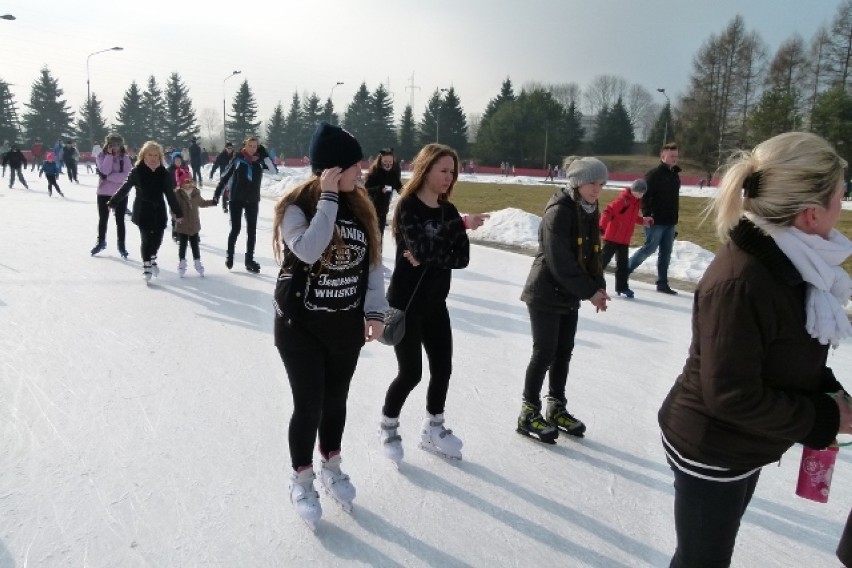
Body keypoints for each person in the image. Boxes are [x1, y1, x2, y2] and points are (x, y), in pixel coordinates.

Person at [658, 131, 852, 568]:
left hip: (746, 441)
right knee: (702, 562)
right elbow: (731, 395)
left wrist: (829, 392)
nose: (844, 203)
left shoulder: (792, 260)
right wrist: (824, 418)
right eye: (841, 194)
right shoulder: (744, 281)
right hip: (710, 446)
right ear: (810, 214)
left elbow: (785, 350)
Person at [271, 121, 386, 527]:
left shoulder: (361, 205)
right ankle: (301, 478)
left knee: (336, 401)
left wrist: (376, 312)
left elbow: (373, 266)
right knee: (309, 405)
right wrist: (330, 197)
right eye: (356, 165)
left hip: (344, 327)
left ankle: (331, 465)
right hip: (299, 327)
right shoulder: (296, 207)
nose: (364, 171)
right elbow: (307, 250)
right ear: (334, 170)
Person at [378, 143, 488, 463]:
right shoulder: (408, 207)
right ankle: (388, 425)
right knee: (411, 373)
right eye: (443, 170)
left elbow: (461, 257)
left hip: (436, 305)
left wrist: (429, 254)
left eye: (452, 172)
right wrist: (436, 250)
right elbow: (421, 249)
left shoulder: (449, 212)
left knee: (443, 369)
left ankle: (433, 428)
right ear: (425, 170)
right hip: (406, 305)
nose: (449, 177)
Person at [516, 157, 611, 443]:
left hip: (569, 292)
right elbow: (561, 261)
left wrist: (599, 286)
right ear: (578, 182)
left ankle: (555, 405)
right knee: (544, 352)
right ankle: (528, 412)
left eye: (601, 184)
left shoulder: (590, 209)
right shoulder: (559, 211)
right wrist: (589, 291)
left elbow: (593, 252)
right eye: (592, 183)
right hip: (545, 290)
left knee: (563, 352)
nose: (597, 189)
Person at [107, 141, 183, 282]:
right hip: (143, 209)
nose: (153, 158)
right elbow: (125, 188)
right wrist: (114, 201)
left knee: (158, 238)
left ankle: (152, 256)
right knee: (146, 238)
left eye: (156, 155)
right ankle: (147, 265)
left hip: (159, 209)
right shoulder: (137, 171)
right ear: (144, 155)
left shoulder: (163, 173)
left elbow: (170, 195)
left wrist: (178, 212)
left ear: (159, 156)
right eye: (150, 155)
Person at [627, 142, 681, 294]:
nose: (674, 159)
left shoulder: (675, 175)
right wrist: (647, 214)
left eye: (676, 156)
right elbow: (644, 197)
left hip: (670, 221)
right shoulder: (654, 175)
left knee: (666, 252)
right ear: (662, 156)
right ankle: (625, 271)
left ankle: (662, 283)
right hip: (655, 221)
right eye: (671, 156)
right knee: (649, 248)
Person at [213, 136, 264, 273]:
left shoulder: (260, 162)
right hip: (236, 199)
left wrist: (263, 153)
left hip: (253, 200)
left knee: (252, 231)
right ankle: (230, 255)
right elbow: (225, 177)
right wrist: (217, 194)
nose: (253, 149)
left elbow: (274, 170)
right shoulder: (238, 160)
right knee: (236, 228)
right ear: (245, 146)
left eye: (255, 146)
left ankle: (249, 260)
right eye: (250, 146)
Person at [599, 179, 653, 298]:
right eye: (639, 192)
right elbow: (608, 211)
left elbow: (631, 218)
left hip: (624, 240)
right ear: (633, 190)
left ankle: (622, 287)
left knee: (623, 265)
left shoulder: (636, 203)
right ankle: (592, 282)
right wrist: (601, 226)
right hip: (612, 237)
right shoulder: (623, 200)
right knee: (602, 261)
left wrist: (643, 220)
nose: (641, 195)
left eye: (643, 193)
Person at [92, 134, 133, 258]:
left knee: (120, 220)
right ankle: (101, 241)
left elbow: (126, 176)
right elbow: (104, 170)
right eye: (113, 145)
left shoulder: (125, 158)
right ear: (108, 145)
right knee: (103, 219)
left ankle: (121, 244)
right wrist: (109, 156)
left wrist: (109, 177)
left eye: (119, 145)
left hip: (120, 193)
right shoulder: (101, 156)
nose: (116, 148)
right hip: (104, 192)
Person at [173, 176, 216, 277]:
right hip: (182, 224)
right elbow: (173, 208)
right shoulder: (178, 194)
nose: (188, 185)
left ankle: (197, 262)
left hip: (194, 224)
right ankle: (182, 263)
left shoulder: (196, 193)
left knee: (195, 245)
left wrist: (213, 202)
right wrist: (176, 216)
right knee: (182, 245)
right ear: (181, 183)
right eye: (185, 182)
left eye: (189, 182)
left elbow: (202, 203)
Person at [364, 148, 403, 236]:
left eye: (390, 162)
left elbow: (400, 189)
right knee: (371, 235)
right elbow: (365, 190)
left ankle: (379, 250)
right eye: (385, 161)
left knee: (380, 236)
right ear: (380, 161)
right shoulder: (374, 173)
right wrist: (379, 189)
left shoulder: (393, 175)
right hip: (371, 210)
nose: (388, 164)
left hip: (383, 210)